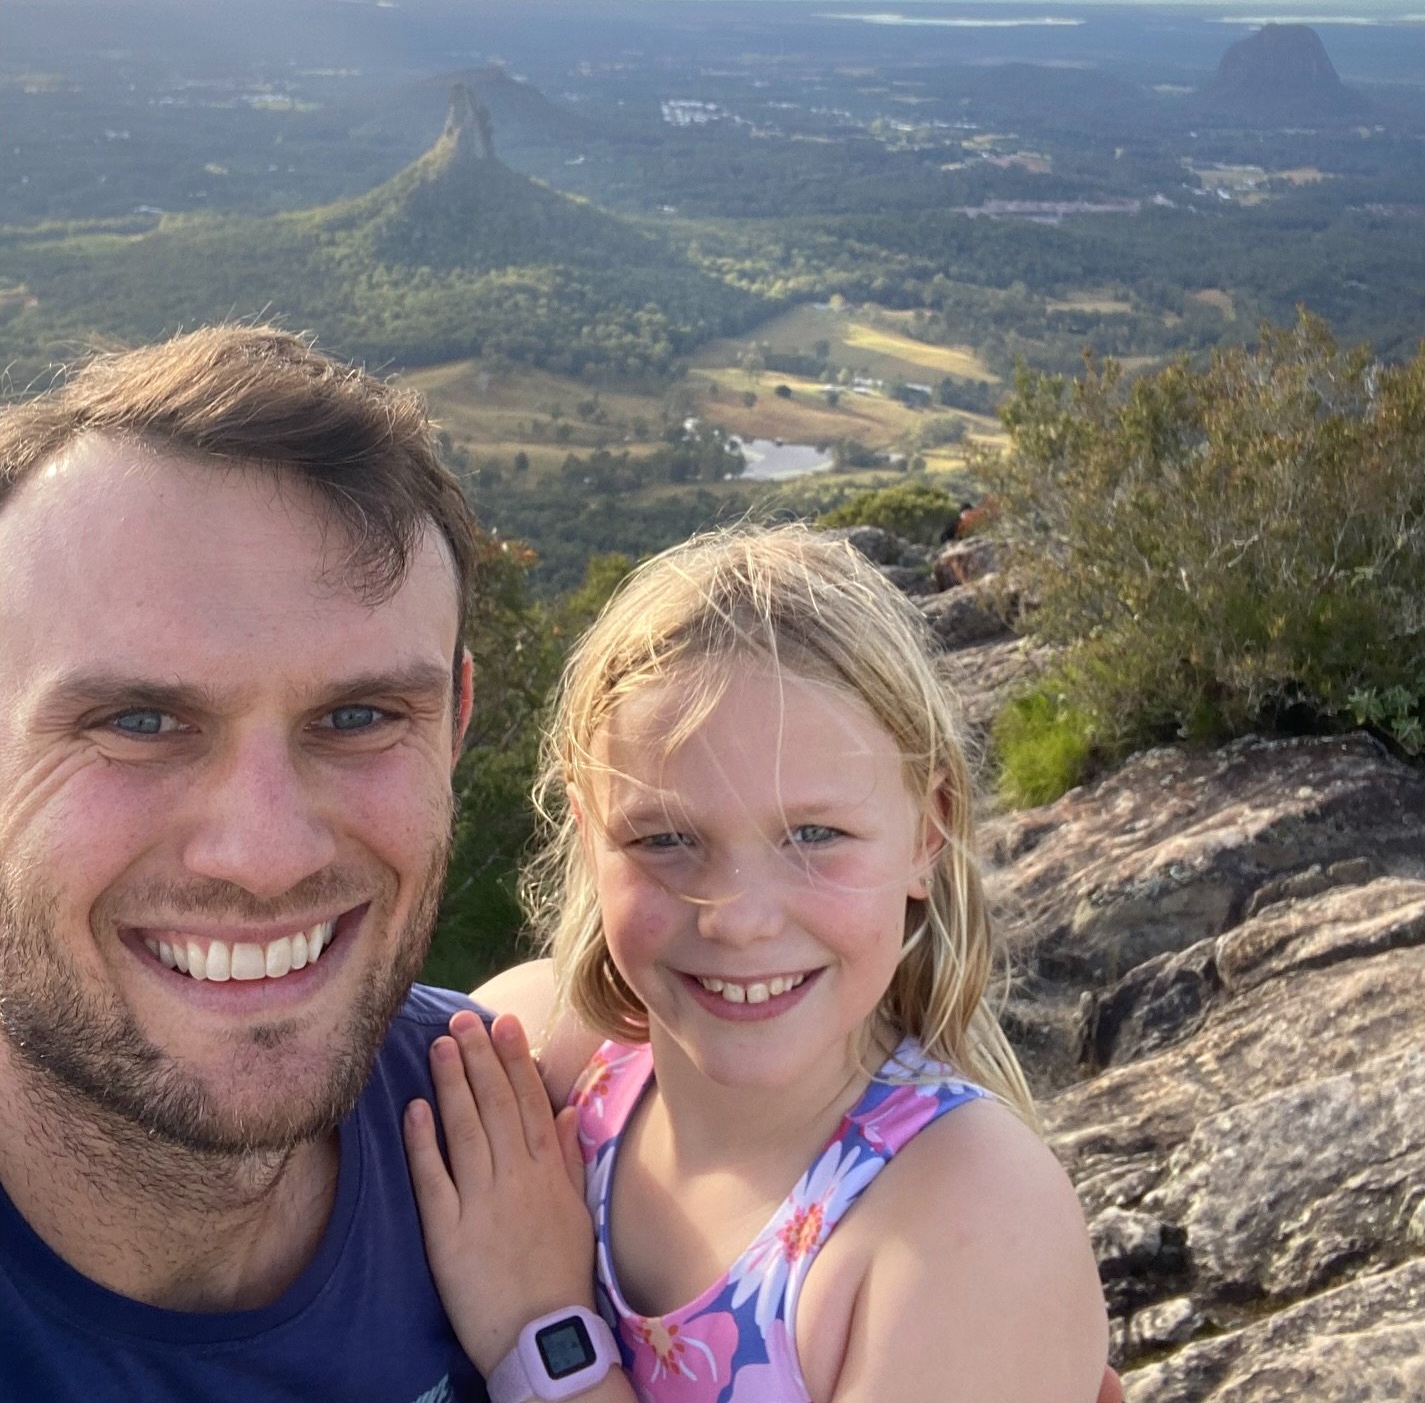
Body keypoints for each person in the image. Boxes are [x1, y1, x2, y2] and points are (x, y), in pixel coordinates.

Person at [405, 524, 1113, 1402]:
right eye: (665, 839)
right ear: (591, 840)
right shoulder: (553, 1063)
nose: (738, 919)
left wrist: (540, 1326)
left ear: (927, 833)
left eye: (814, 835)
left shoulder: (972, 1220)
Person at [0, 325, 497, 1401]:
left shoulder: (522, 1140)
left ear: (454, 728)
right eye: (139, 722)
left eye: (360, 717)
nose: (267, 858)